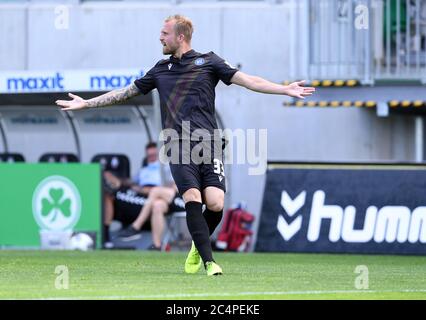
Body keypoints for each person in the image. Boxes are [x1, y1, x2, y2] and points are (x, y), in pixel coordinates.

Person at [56, 14, 315, 276]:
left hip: (210, 144)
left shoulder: (210, 62)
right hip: (178, 144)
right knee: (192, 196)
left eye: (164, 33)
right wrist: (87, 103)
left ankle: (196, 244)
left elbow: (249, 81)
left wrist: (284, 89)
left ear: (180, 36)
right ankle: (209, 261)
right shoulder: (160, 69)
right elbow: (125, 92)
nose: (160, 37)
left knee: (215, 203)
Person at [117, 184, 186, 250]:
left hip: (189, 202)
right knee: (157, 205)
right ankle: (157, 246)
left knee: (155, 191)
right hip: (175, 199)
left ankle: (135, 227)